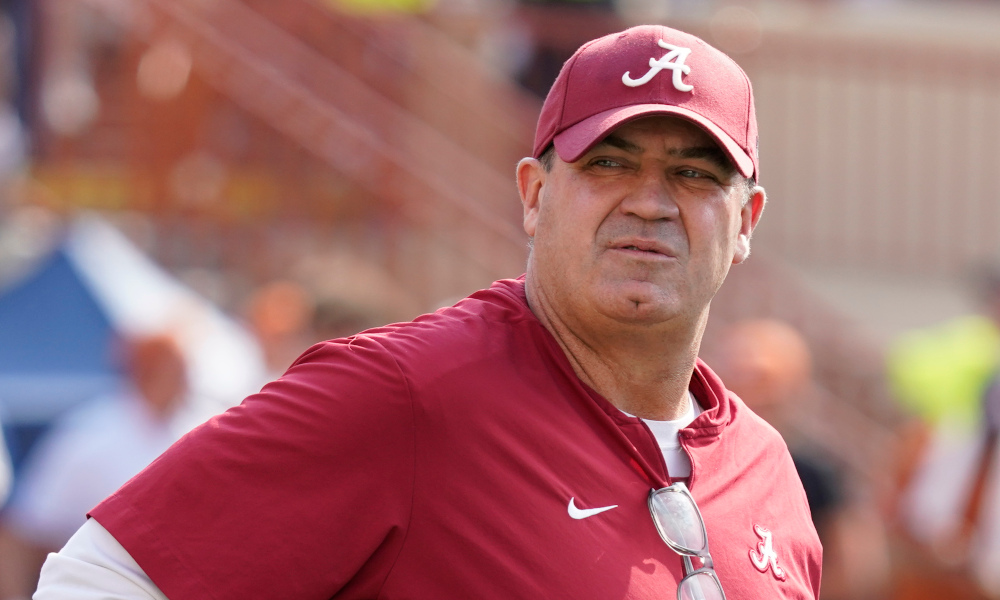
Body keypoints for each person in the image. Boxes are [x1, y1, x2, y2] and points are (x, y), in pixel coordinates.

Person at [34, 24, 821, 599]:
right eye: (609, 163)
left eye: (691, 173)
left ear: (746, 222)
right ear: (535, 195)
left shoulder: (767, 470)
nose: (648, 202)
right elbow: (95, 581)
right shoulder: (407, 394)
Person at [0, 334, 187, 600]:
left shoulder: (196, 424)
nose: (187, 381)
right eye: (178, 370)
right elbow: (22, 531)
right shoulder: (90, 436)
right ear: (147, 370)